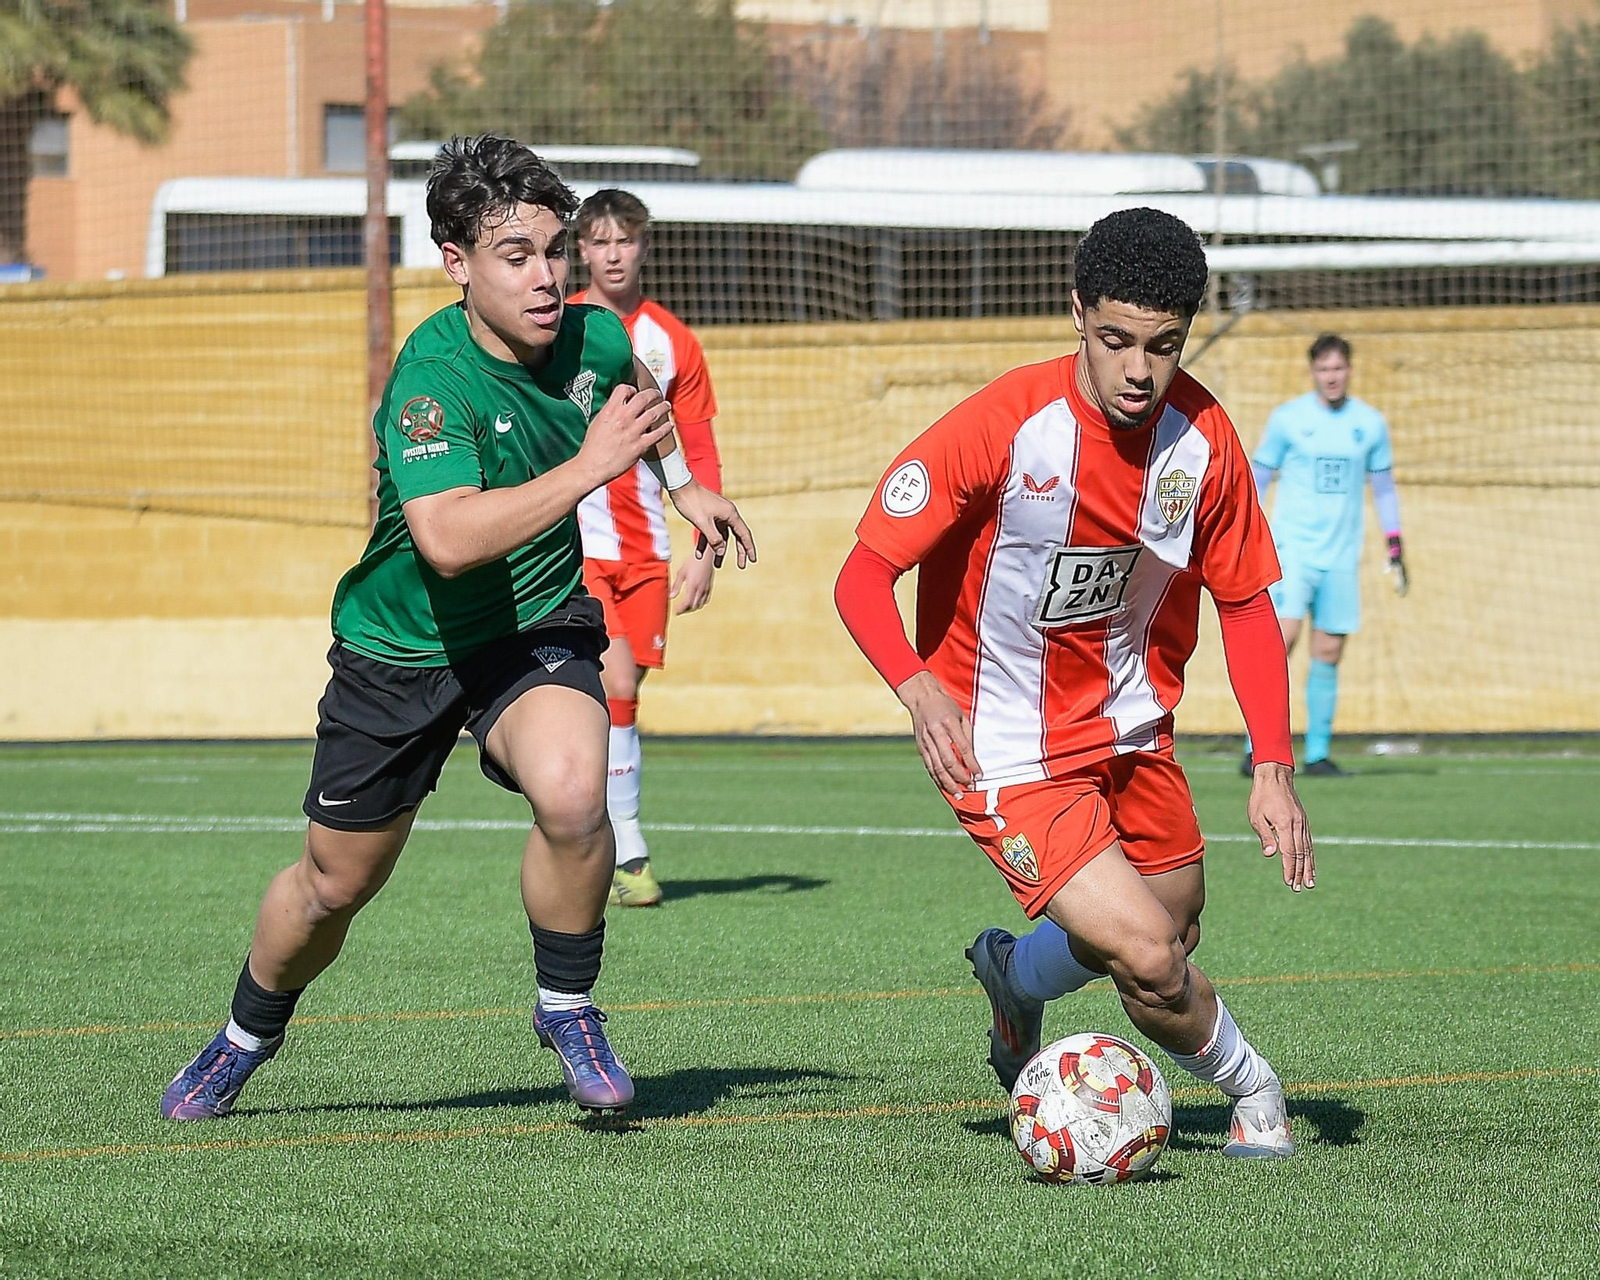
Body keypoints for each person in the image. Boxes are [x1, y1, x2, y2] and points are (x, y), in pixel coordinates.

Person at [159, 135, 755, 1122]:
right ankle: (244, 1034)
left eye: (555, 250)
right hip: (401, 647)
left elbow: (635, 406)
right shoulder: (432, 379)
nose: (547, 276)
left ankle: (566, 1005)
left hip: (533, 625)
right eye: (515, 256)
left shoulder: (596, 337)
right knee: (330, 884)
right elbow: (444, 539)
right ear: (458, 263)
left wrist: (686, 485)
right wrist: (588, 470)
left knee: (574, 792)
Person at [835, 207, 1313, 1159]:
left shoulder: (1204, 442)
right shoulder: (1005, 425)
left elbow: (1249, 606)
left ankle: (1016, 976)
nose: (1140, 369)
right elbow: (860, 577)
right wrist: (918, 688)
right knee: (1146, 953)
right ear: (1077, 317)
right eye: (1117, 341)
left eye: (1164, 346)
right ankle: (1258, 1097)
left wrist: (1272, 765)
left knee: (1172, 923)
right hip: (1001, 744)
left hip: (1132, 729)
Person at [569, 189, 724, 908]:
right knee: (616, 686)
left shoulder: (672, 340)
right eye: (598, 241)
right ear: (582, 251)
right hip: (578, 545)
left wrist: (705, 545)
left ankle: (597, 831)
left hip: (648, 549)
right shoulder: (562, 325)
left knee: (623, 702)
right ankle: (627, 852)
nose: (611, 254)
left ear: (643, 247)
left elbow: (696, 443)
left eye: (623, 240)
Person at [1243, 333, 1407, 777]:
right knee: (1281, 642)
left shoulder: (1369, 424)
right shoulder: (1288, 420)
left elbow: (1384, 487)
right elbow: (1259, 475)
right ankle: (1256, 747)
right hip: (1292, 549)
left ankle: (1317, 753)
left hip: (1341, 554)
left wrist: (1395, 542)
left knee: (1329, 650)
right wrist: (1247, 530)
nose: (1331, 377)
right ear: (1313, 372)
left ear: (1348, 370)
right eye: (1324, 370)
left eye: (1338, 369)